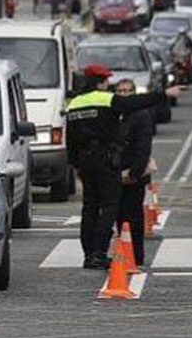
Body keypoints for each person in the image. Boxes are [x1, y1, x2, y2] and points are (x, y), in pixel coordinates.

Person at [66, 64, 182, 270]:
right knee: (109, 206)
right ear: (100, 82)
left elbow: (70, 140)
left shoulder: (74, 103)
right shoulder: (104, 99)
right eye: (106, 82)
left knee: (89, 207)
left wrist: (75, 165)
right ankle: (100, 253)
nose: (108, 85)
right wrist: (163, 93)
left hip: (85, 162)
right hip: (105, 160)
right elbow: (135, 103)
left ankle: (88, 253)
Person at [114, 78, 154, 267]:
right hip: (115, 173)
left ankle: (136, 256)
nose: (123, 95)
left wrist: (134, 173)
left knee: (134, 215)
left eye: (127, 91)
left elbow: (143, 147)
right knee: (118, 215)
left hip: (134, 173)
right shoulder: (113, 113)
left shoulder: (141, 115)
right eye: (120, 91)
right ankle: (122, 252)